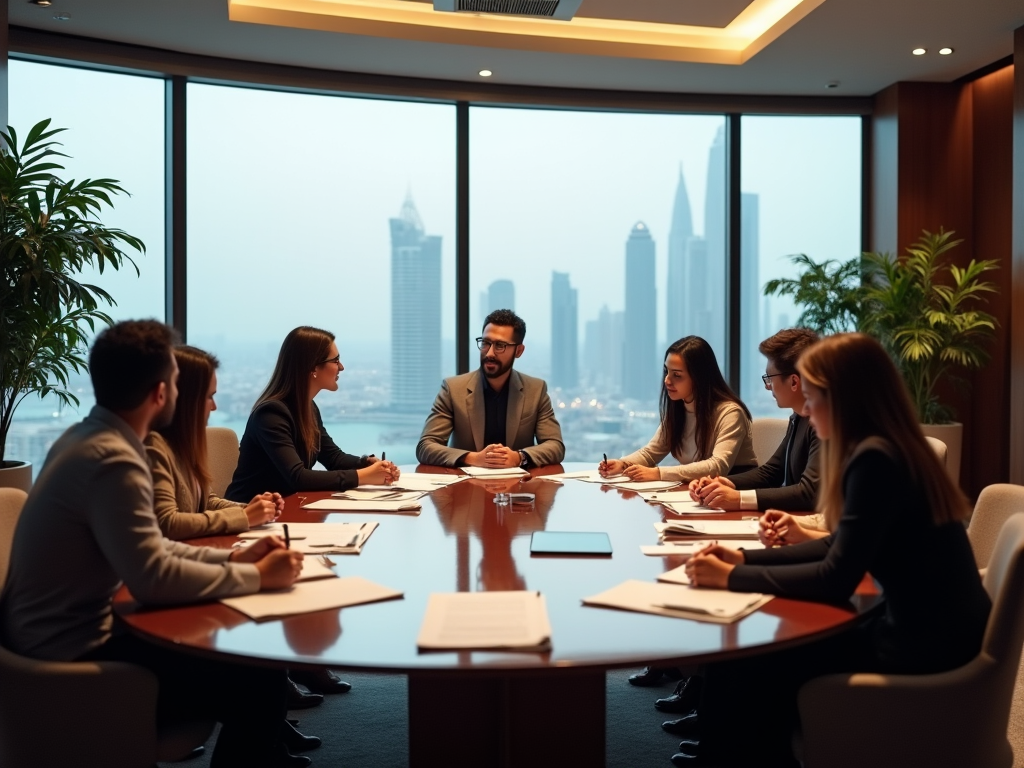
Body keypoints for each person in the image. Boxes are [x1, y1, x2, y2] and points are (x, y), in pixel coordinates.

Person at [0, 320, 318, 768]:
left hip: (54, 634)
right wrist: (256, 576)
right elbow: (153, 577)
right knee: (254, 677)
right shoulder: (115, 459)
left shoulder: (86, 438)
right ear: (160, 392)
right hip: (71, 653)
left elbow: (153, 546)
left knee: (246, 664)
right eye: (174, 378)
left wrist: (235, 557)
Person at [674, 333, 991, 767]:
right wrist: (743, 558)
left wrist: (731, 577)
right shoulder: (888, 446)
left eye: (814, 394)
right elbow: (839, 546)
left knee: (749, 661)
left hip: (921, 645)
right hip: (936, 629)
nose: (805, 405)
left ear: (842, 396)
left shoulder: (875, 459)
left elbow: (835, 577)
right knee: (753, 657)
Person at [227, 326, 399, 501]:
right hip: (248, 515)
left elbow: (333, 458)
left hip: (287, 509)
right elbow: (298, 478)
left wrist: (366, 463)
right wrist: (364, 476)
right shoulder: (271, 414)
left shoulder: (308, 407)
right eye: (336, 360)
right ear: (313, 368)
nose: (341, 367)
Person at [146, 345, 284, 540]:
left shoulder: (182, 443)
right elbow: (168, 523)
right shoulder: (153, 447)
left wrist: (252, 509)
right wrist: (243, 516)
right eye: (209, 396)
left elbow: (206, 501)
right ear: (185, 398)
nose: (214, 406)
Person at [688, 328, 821, 512]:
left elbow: (809, 493)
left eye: (770, 378)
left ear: (793, 382)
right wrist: (721, 483)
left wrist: (740, 499)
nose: (768, 387)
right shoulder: (799, 417)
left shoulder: (823, 423)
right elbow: (772, 472)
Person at [416, 309, 565, 468]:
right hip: (466, 488)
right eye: (486, 343)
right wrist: (473, 458)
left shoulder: (535, 390)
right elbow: (426, 446)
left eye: (500, 345)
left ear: (519, 351)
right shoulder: (453, 389)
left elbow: (555, 445)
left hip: (517, 488)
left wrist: (518, 457)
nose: (490, 353)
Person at [600, 336, 757, 485]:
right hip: (698, 491)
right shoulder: (679, 408)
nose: (667, 380)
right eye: (666, 372)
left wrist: (658, 474)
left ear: (699, 377)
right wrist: (622, 464)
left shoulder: (730, 413)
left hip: (733, 494)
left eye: (677, 375)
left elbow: (718, 466)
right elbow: (650, 453)